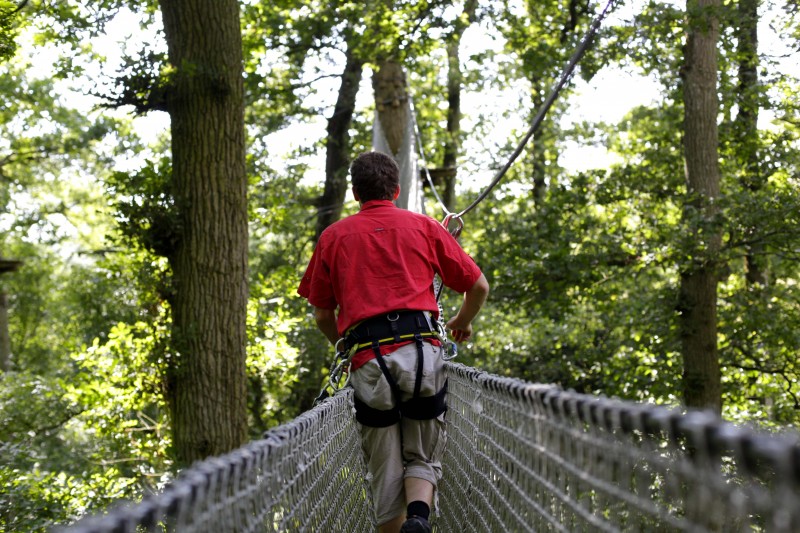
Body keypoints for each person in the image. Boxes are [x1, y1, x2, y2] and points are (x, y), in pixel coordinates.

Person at [298, 151, 489, 533]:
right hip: (422, 354)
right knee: (422, 450)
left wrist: (348, 347)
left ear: (355, 194)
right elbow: (478, 286)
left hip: (370, 360)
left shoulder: (333, 237)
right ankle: (418, 517)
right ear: (398, 189)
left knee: (383, 464)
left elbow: (322, 314)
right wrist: (460, 322)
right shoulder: (424, 226)